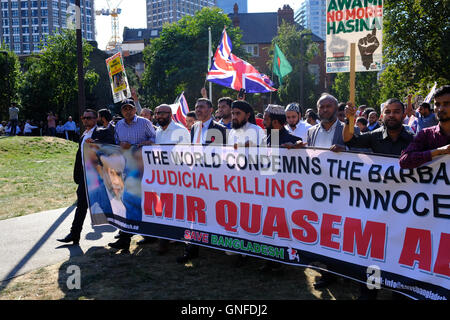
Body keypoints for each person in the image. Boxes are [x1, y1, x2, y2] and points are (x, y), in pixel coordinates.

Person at [177, 98, 227, 264]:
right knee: (195, 212)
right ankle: (192, 247)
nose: (198, 110)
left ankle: (217, 243)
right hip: (196, 177)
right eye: (196, 107)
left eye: (202, 107)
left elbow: (220, 156)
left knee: (213, 211)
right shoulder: (194, 127)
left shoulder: (219, 129)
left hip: (213, 178)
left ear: (211, 110)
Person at [57, 109, 115, 245]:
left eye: (89, 118)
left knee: (110, 204)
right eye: (84, 118)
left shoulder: (102, 131)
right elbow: (80, 156)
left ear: (96, 119)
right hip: (85, 176)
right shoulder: (83, 135)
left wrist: (95, 143)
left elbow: (111, 146)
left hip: (99, 176)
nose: (85, 120)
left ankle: (124, 232)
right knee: (81, 204)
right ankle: (74, 234)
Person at [108, 98, 156, 251]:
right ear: (121, 111)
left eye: (130, 108)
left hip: (143, 167)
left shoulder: (144, 123)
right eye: (124, 109)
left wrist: (135, 145)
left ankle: (127, 237)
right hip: (126, 167)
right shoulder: (119, 125)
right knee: (130, 200)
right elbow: (116, 143)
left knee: (134, 200)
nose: (127, 111)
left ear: (135, 109)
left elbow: (154, 140)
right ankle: (141, 235)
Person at [150, 104, 191, 254]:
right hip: (162, 176)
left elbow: (187, 155)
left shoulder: (180, 130)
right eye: (157, 113)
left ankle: (173, 239)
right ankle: (168, 237)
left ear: (170, 114)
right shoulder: (158, 131)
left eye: (161, 113)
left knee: (178, 207)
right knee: (165, 207)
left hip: (178, 176)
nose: (159, 116)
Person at [399, 85, 450, 169]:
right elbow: (404, 161)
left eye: (446, 104)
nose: (440, 109)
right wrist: (438, 151)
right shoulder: (425, 134)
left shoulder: (432, 117)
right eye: (437, 104)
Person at [343, 99, 414, 155]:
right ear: (382, 116)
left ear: (404, 116)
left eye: (396, 112)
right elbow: (349, 140)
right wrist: (349, 118)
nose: (391, 115)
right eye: (387, 112)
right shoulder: (374, 136)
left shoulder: (413, 140)